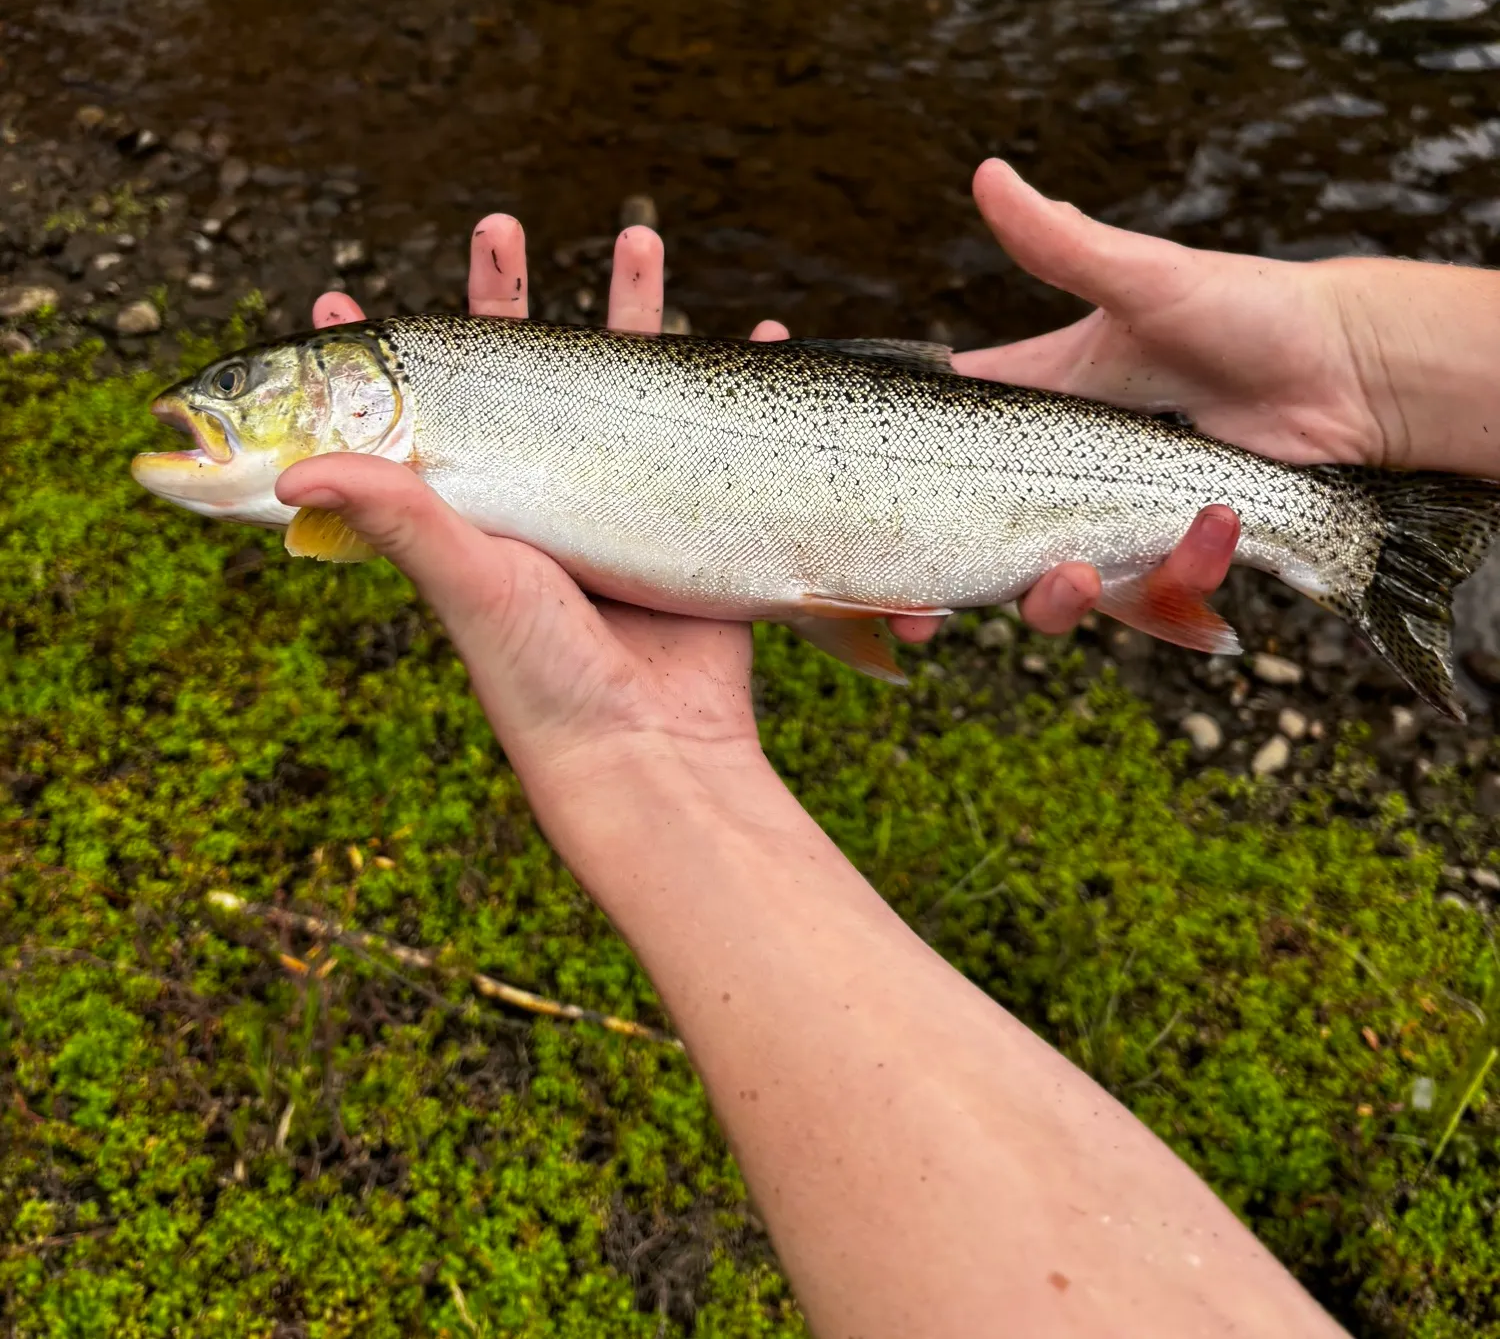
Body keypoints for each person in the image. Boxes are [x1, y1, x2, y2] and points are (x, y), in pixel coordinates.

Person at [279, 160, 1500, 1338]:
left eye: (247, 391)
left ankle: (1360, 537)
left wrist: (1359, 367)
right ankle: (1364, 535)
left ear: (344, 391)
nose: (230, 411)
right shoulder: (415, 395)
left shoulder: (422, 376)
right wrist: (1362, 362)